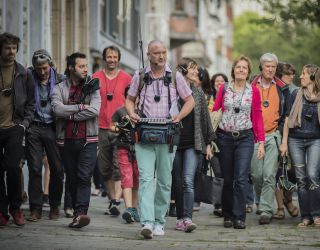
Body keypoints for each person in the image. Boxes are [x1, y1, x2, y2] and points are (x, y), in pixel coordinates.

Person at [126, 40, 195, 239]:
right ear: (148, 54)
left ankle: (159, 221)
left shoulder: (175, 76)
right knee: (146, 179)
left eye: (164, 52)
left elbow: (189, 100)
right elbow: (129, 100)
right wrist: (131, 113)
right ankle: (146, 222)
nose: (161, 56)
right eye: (157, 53)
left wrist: (179, 116)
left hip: (168, 134)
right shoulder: (139, 75)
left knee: (165, 181)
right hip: (144, 134)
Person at [213, 55, 265, 229]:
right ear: (233, 70)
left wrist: (262, 142)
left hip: (245, 138)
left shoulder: (254, 91)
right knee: (228, 179)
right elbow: (215, 112)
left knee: (241, 178)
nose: (241, 70)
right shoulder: (224, 89)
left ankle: (239, 216)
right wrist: (209, 139)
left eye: (244, 67)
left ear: (249, 72)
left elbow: (257, 116)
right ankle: (227, 215)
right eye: (238, 67)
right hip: (225, 137)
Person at [51, 52, 101, 228]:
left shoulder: (93, 86)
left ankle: (80, 214)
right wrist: (79, 107)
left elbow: (94, 110)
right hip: (66, 140)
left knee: (84, 176)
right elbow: (57, 109)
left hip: (89, 139)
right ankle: (74, 210)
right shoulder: (60, 87)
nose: (85, 69)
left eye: (86, 66)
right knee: (72, 178)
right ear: (71, 68)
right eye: (81, 66)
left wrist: (70, 116)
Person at [173, 58, 215, 233]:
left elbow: (205, 120)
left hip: (193, 143)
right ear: (183, 70)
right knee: (177, 182)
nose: (196, 72)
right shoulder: (171, 90)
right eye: (192, 69)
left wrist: (208, 144)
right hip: (173, 142)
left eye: (197, 69)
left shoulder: (197, 92)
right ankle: (180, 217)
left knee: (188, 180)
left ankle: (188, 219)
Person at [25, 49, 64, 222]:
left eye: (45, 68)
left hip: (52, 128)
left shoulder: (61, 80)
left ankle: (54, 206)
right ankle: (35, 208)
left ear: (50, 65)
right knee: (34, 168)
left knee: (57, 169)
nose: (42, 72)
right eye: (39, 69)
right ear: (34, 67)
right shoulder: (27, 78)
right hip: (33, 127)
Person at [0, 32, 35, 227]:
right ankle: (1, 210)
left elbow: (31, 102)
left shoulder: (23, 73)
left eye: (14, 48)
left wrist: (24, 124)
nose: (11, 51)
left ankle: (15, 207)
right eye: (7, 48)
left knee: (13, 167)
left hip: (14, 126)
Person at [251, 53, 289, 225]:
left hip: (273, 134)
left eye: (273, 66)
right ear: (261, 67)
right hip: (254, 136)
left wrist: (281, 135)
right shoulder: (251, 85)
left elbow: (286, 114)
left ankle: (266, 210)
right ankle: (260, 201)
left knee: (269, 175)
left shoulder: (282, 87)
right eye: (268, 66)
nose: (271, 69)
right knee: (257, 175)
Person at [93, 46, 131, 216]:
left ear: (119, 58)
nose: (112, 60)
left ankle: (116, 199)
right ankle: (112, 201)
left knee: (118, 166)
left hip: (121, 128)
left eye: (115, 57)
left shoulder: (126, 78)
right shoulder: (95, 77)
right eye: (109, 56)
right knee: (104, 168)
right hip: (101, 127)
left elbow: (132, 99)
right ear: (104, 58)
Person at [280, 64, 320, 227]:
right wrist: (284, 142)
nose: (300, 77)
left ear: (312, 77)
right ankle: (305, 217)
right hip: (295, 140)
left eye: (303, 74)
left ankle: (317, 215)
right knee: (301, 179)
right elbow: (288, 120)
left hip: (315, 140)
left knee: (312, 175)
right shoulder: (295, 93)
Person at [272, 62, 299, 220]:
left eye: (292, 74)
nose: (291, 76)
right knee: (278, 172)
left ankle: (288, 201)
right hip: (276, 134)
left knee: (291, 172)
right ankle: (280, 207)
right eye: (288, 74)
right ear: (280, 75)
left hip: (293, 136)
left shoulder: (296, 91)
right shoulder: (276, 90)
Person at [110, 94, 140, 224]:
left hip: (140, 150)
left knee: (137, 178)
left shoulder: (143, 112)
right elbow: (111, 126)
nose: (135, 99)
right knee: (126, 176)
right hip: (123, 147)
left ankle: (134, 209)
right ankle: (128, 209)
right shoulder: (120, 111)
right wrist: (120, 127)